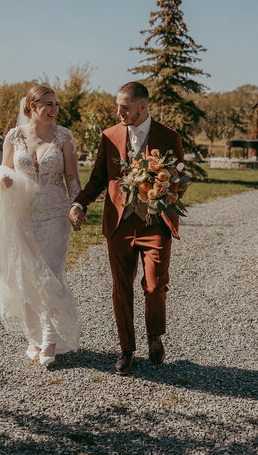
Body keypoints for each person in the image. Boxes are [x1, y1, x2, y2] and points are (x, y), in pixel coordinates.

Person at [70, 82, 184, 375]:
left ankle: (154, 335)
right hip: (119, 224)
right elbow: (97, 179)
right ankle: (127, 349)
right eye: (117, 105)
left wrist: (162, 192)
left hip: (155, 223)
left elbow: (179, 183)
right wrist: (79, 204)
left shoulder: (169, 137)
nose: (119, 111)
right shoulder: (109, 136)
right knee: (121, 289)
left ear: (143, 106)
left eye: (125, 107)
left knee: (155, 284)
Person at [0, 85, 81, 366]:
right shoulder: (13, 136)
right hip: (22, 214)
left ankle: (50, 338)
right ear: (31, 106)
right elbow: (3, 170)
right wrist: (4, 181)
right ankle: (34, 336)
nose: (54, 109)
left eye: (56, 104)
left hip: (55, 213)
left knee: (50, 274)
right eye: (48, 104)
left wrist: (76, 205)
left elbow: (72, 177)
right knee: (27, 276)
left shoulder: (64, 136)